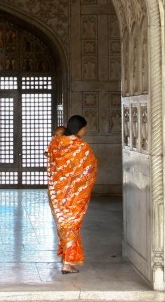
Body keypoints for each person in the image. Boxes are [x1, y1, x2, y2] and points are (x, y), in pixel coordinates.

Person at [45, 115, 98, 274]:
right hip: (74, 194)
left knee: (63, 224)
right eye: (84, 128)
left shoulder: (56, 142)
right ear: (78, 129)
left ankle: (66, 258)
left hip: (58, 193)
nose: (85, 131)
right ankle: (67, 263)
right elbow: (91, 166)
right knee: (72, 225)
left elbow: (49, 156)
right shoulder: (81, 147)